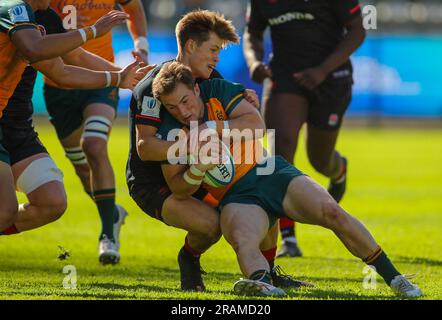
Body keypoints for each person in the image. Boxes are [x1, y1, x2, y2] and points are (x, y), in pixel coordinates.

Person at [153, 61, 422, 298]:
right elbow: (178, 187)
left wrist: (208, 128)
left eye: (185, 101)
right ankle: (261, 285)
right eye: (172, 107)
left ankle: (394, 277)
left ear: (197, 90)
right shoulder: (169, 129)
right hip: (237, 197)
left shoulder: (217, 90)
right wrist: (197, 171)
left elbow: (257, 126)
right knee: (242, 239)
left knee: (331, 212)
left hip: (270, 172)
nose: (182, 112)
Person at [127, 10, 308, 291]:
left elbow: (242, 125)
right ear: (190, 46)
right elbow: (146, 149)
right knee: (211, 226)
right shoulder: (155, 88)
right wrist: (196, 149)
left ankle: (269, 273)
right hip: (153, 183)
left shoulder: (212, 79)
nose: (217, 57)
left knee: (260, 191)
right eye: (213, 49)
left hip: (200, 172)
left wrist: (247, 105)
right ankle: (188, 259)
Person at [0, 8, 151, 237]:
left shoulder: (47, 16)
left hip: (18, 127)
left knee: (52, 201)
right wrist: (92, 31)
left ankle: (109, 226)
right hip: (10, 118)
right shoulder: (10, 9)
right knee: (4, 210)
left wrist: (123, 77)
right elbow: (34, 49)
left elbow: (67, 64)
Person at [243, 0, 366, 258]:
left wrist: (323, 69)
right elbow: (252, 32)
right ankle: (288, 238)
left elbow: (358, 30)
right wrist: (254, 61)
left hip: (331, 76)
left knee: (320, 159)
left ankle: (338, 169)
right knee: (279, 152)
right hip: (285, 76)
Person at [43, 0, 149, 265]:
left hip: (101, 78)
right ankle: (111, 214)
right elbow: (68, 55)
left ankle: (106, 234)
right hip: (59, 85)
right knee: (81, 168)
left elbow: (134, 8)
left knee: (94, 144)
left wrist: (141, 47)